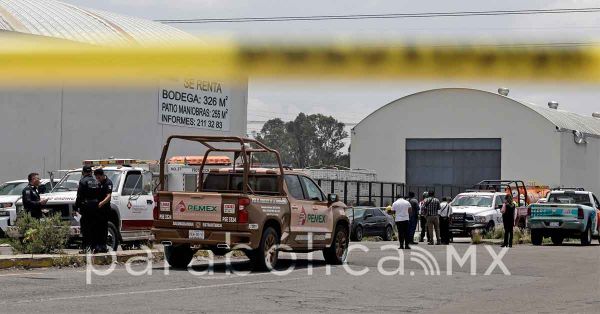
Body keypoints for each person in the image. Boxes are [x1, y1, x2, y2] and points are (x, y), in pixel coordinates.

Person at [75, 166, 101, 253]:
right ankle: (96, 247)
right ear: (91, 172)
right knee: (95, 228)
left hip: (86, 207)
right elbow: (99, 195)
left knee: (86, 228)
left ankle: (86, 248)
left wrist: (76, 208)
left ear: (83, 172)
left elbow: (79, 196)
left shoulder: (83, 181)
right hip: (95, 207)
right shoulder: (96, 181)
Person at [94, 168, 113, 253]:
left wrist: (101, 203)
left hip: (104, 209)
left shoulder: (108, 183)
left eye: (98, 177)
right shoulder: (99, 183)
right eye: (96, 177)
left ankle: (103, 246)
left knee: (103, 228)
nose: (97, 179)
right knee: (97, 228)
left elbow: (108, 196)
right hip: (98, 209)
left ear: (102, 175)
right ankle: (98, 245)